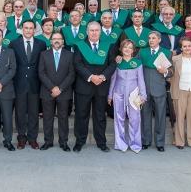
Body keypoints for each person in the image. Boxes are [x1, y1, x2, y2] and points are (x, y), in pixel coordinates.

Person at [73, 22, 116, 153]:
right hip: (84, 86)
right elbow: (77, 64)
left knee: (100, 116)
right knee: (81, 115)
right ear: (87, 32)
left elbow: (112, 64)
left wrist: (102, 77)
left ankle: (101, 142)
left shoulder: (108, 46)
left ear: (100, 32)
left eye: (97, 30)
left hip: (101, 86)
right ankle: (79, 141)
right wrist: (91, 77)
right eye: (91, 30)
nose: (94, 33)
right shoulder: (80, 46)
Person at [9, 20, 46, 149]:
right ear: (22, 29)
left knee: (33, 112)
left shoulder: (41, 44)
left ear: (34, 30)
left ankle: (32, 138)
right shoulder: (14, 44)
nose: (28, 30)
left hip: (35, 83)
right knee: (19, 112)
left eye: (31, 28)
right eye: (26, 28)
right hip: (19, 83)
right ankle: (21, 138)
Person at [136, 31, 174, 152]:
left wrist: (166, 72)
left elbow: (172, 69)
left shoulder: (166, 53)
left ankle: (159, 142)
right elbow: (135, 67)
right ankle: (146, 140)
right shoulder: (142, 52)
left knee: (160, 115)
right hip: (145, 89)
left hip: (159, 87)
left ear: (159, 40)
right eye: (149, 38)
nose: (151, 40)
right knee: (145, 115)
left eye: (153, 38)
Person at [38, 32, 76, 152]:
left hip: (64, 92)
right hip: (47, 92)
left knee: (63, 118)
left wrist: (60, 88)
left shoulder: (70, 55)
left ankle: (63, 142)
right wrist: (52, 88)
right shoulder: (43, 54)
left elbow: (71, 74)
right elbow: (41, 73)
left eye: (59, 39)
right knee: (47, 118)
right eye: (54, 39)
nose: (57, 41)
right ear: (51, 41)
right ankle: (48, 141)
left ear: (63, 41)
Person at [108, 39, 146, 153]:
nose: (127, 49)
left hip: (134, 93)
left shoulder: (138, 62)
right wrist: (110, 95)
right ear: (121, 49)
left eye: (130, 47)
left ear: (133, 50)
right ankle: (121, 144)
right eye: (125, 47)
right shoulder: (117, 62)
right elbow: (113, 79)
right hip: (118, 92)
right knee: (119, 118)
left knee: (135, 118)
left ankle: (135, 144)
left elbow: (141, 80)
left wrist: (143, 95)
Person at [170, 36, 191, 149]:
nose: (187, 48)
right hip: (180, 89)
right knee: (180, 115)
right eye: (185, 46)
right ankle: (179, 141)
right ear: (181, 47)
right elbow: (169, 75)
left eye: (189, 46)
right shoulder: (175, 59)